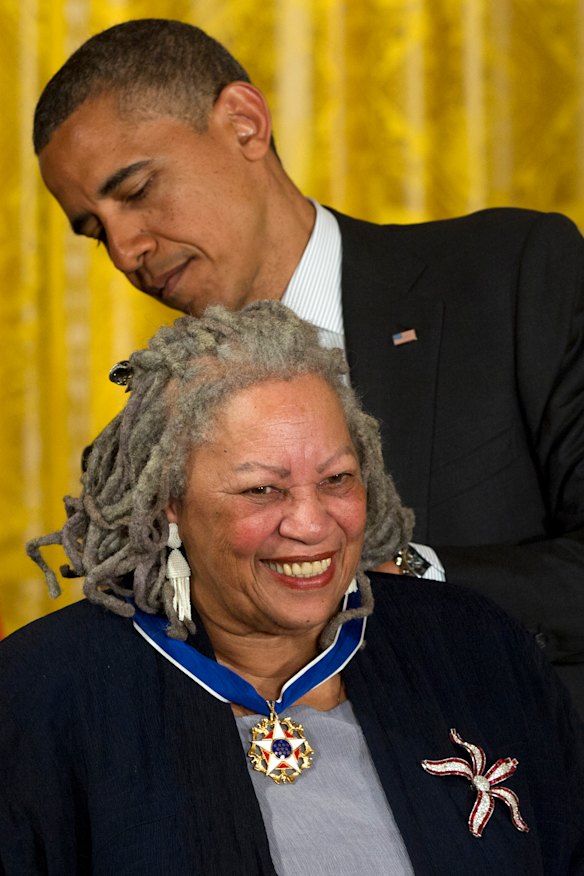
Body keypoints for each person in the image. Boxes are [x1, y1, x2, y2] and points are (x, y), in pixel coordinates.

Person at [32, 19, 584, 709]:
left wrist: (401, 575)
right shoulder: (156, 428)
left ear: (244, 124)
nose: (123, 250)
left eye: (138, 191)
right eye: (95, 230)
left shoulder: (510, 275)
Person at [1, 302, 582, 874]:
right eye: (262, 491)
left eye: (337, 479)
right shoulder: (38, 694)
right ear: (168, 502)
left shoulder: (476, 647)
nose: (311, 524)